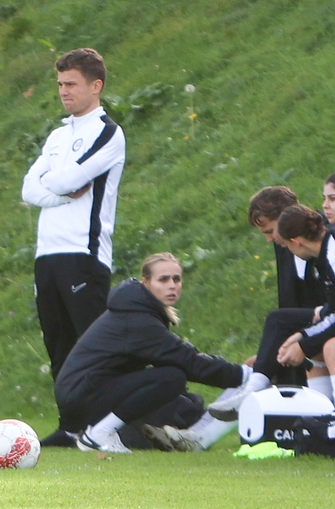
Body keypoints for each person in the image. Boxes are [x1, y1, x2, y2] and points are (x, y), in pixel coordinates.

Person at [21, 48, 126, 447]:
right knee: (58, 345)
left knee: (92, 346)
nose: (64, 91)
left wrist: (59, 183)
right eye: (60, 84)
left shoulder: (108, 132)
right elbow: (31, 189)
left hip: (84, 255)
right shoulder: (57, 136)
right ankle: (70, 426)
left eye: (71, 84)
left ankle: (104, 427)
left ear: (95, 86)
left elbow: (69, 179)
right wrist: (63, 192)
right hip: (46, 254)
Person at [54, 253, 248, 454]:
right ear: (146, 283)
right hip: (83, 396)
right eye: (163, 279)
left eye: (176, 279)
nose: (172, 285)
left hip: (84, 393)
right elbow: (188, 361)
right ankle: (99, 434)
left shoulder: (139, 309)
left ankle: (99, 433)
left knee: (183, 401)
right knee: (172, 377)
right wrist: (245, 374)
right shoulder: (138, 320)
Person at [209, 204, 335, 420]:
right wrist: (301, 336)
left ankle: (326, 422)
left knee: (330, 347)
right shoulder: (326, 251)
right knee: (313, 344)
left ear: (295, 241)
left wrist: (303, 344)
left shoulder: (331, 251)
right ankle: (322, 421)